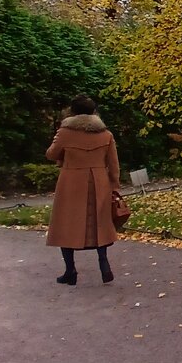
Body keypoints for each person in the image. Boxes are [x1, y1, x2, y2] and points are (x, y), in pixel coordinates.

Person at [46, 95, 120, 285]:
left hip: (71, 181)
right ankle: (104, 263)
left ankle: (70, 271)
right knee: (100, 223)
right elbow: (113, 165)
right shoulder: (106, 134)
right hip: (100, 181)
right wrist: (114, 187)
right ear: (93, 111)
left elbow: (51, 154)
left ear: (73, 111)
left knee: (66, 224)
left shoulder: (65, 132)